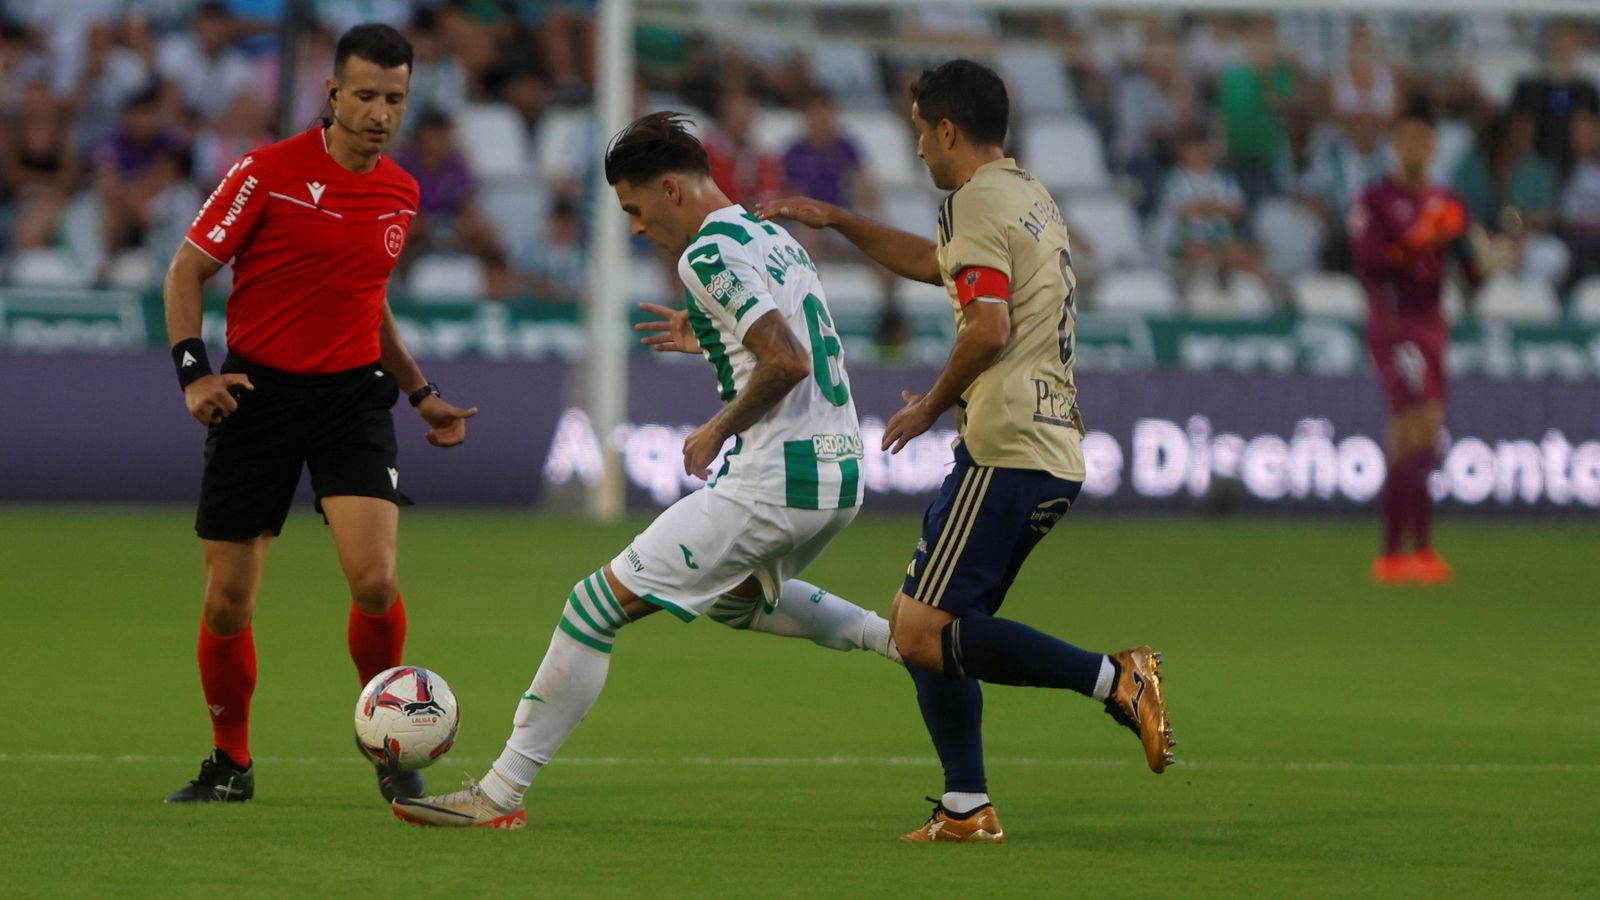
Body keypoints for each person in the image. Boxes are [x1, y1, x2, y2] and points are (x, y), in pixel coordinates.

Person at [391, 112, 900, 830]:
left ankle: (497, 795)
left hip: (775, 478)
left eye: (634, 208)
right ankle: (902, 640)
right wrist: (721, 339)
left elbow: (787, 360)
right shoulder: (768, 234)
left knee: (591, 608)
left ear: (669, 189)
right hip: (838, 473)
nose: (633, 227)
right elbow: (786, 339)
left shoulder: (705, 256)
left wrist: (716, 427)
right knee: (736, 601)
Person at [758, 59, 1174, 844]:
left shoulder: (972, 202)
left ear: (947, 130)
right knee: (942, 629)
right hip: (1050, 446)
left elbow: (986, 327)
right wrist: (838, 219)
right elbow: (935, 265)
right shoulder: (1029, 198)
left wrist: (929, 407)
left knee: (916, 631)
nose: (917, 148)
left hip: (1005, 445)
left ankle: (1116, 677)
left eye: (920, 131)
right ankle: (965, 806)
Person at [162, 23, 478, 804]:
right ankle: (230, 764)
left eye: (394, 98)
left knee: (375, 582)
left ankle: (388, 746)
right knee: (227, 603)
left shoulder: (400, 190)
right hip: (257, 399)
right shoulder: (264, 173)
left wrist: (417, 389)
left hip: (351, 399)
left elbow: (368, 304)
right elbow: (186, 270)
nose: (379, 111)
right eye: (365, 95)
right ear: (332, 93)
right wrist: (193, 375)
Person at [1350, 101, 1481, 586]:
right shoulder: (1375, 200)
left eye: (1423, 140)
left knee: (1426, 430)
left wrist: (1488, 260)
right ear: (1394, 145)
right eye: (1406, 139)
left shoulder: (1447, 201)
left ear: (1434, 147)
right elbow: (1369, 263)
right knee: (1416, 422)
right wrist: (1423, 237)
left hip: (1431, 322)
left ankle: (1419, 551)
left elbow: (1470, 271)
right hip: (1394, 321)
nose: (1415, 149)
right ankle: (1394, 553)